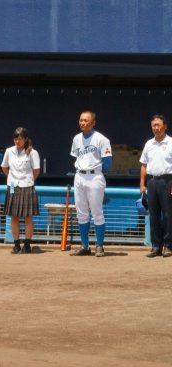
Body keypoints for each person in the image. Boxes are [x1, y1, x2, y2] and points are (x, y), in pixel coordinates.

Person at [69, 110, 112, 257]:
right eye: (81, 120)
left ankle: (99, 246)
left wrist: (98, 172)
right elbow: (76, 157)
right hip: (79, 176)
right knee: (81, 213)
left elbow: (107, 162)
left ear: (93, 122)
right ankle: (85, 246)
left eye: (86, 120)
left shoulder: (101, 139)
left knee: (97, 212)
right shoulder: (76, 138)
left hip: (94, 177)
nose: (82, 123)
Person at [1, 127, 40, 255]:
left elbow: (36, 170)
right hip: (13, 186)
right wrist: (11, 179)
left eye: (20, 139)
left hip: (27, 186)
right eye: (15, 138)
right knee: (14, 216)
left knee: (28, 217)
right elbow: (4, 167)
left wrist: (28, 181)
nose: (17, 141)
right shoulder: (9, 151)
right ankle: (16, 244)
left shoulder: (32, 152)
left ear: (25, 139)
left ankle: (27, 244)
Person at [139, 114, 172, 258]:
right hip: (152, 182)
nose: (156, 128)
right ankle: (156, 246)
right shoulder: (148, 144)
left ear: (165, 126)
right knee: (153, 216)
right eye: (154, 125)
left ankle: (168, 246)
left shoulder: (171, 142)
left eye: (159, 125)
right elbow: (143, 165)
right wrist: (142, 184)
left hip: (167, 181)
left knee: (168, 215)